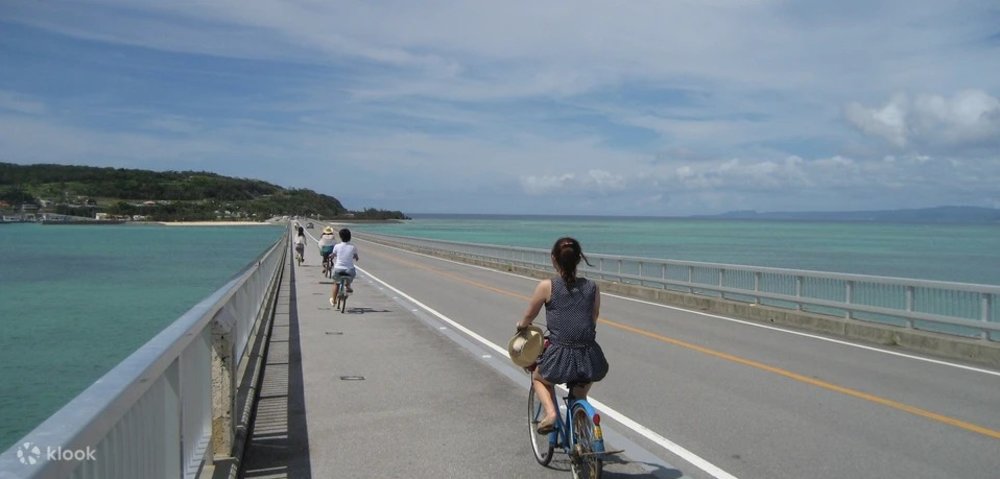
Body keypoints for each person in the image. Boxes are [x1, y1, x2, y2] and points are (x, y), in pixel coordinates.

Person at [515, 237, 608, 434]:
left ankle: (550, 414)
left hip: (560, 355)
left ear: (553, 259)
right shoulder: (592, 287)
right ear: (578, 260)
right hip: (589, 356)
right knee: (579, 397)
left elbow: (530, 315)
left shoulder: (547, 286)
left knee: (539, 378)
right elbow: (594, 317)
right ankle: (583, 440)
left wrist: (521, 325)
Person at [330, 228, 360, 305]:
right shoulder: (353, 247)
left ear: (340, 237)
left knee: (336, 283)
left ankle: (333, 300)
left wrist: (331, 256)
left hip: (338, 269)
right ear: (349, 237)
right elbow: (356, 257)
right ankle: (348, 286)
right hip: (349, 270)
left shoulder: (337, 246)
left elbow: (333, 255)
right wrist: (355, 257)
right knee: (349, 279)